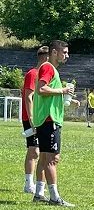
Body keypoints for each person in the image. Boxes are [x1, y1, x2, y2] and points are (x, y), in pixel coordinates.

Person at [32, 40, 80, 206]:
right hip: (49, 119)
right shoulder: (48, 68)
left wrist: (68, 98)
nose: (67, 55)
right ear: (54, 52)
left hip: (46, 119)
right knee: (53, 158)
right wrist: (63, 90)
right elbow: (41, 89)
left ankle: (39, 193)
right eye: (64, 52)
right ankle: (54, 197)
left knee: (45, 157)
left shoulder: (51, 69)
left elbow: (49, 92)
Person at [21, 46, 49, 198]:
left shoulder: (43, 74)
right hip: (31, 118)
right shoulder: (33, 74)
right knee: (34, 151)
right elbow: (28, 97)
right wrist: (31, 118)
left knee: (37, 151)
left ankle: (32, 183)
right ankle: (28, 183)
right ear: (44, 57)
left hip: (39, 118)